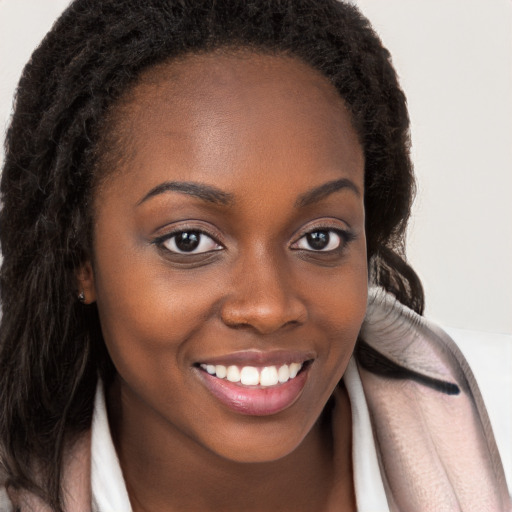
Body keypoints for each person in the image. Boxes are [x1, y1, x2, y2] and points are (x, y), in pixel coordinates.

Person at [0, 0, 509, 511]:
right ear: (79, 256)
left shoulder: (500, 420)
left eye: (319, 238)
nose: (268, 307)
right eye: (189, 241)